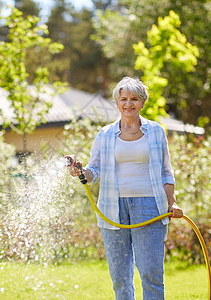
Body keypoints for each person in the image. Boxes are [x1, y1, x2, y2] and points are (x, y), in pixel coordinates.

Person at [69, 77, 183, 300]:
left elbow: (166, 172)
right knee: (120, 278)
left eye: (134, 99)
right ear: (117, 102)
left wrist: (172, 202)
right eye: (123, 99)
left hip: (150, 206)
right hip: (112, 208)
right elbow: (94, 170)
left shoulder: (156, 131)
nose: (128, 103)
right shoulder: (105, 134)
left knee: (151, 274)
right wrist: (82, 172)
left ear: (142, 102)